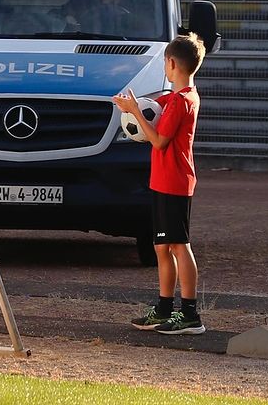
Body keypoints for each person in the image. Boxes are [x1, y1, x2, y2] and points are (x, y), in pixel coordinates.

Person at [113, 32, 207, 335]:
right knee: (162, 246)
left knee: (180, 245)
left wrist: (137, 113)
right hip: (163, 181)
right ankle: (164, 308)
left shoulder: (182, 102)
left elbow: (159, 140)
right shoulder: (179, 96)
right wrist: (131, 104)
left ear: (171, 64)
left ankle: (191, 314)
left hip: (175, 182)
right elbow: (157, 101)